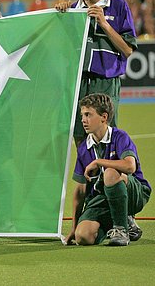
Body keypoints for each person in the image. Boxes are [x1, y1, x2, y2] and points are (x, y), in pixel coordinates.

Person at [55, 0, 137, 147]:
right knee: (80, 135)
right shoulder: (74, 11)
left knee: (105, 138)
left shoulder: (118, 5)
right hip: (80, 81)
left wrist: (105, 24)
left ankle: (107, 176)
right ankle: (91, 176)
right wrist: (61, 16)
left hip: (106, 82)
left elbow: (127, 50)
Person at [65, 93, 151, 246]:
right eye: (82, 115)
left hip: (134, 193)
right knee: (83, 237)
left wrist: (99, 162)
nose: (83, 120)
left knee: (110, 172)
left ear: (104, 117)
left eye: (88, 115)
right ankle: (119, 220)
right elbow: (80, 190)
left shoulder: (119, 136)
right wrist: (74, 226)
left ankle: (121, 229)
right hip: (101, 200)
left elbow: (130, 166)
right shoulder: (84, 147)